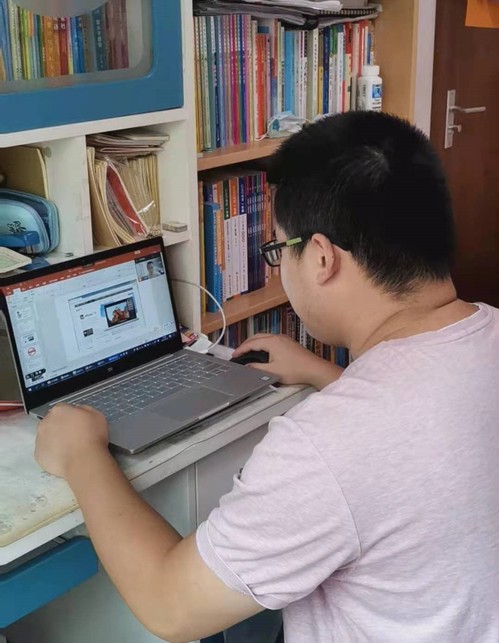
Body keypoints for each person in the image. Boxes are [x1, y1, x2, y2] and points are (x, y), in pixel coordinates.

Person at [35, 112, 499, 642]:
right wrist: (324, 373)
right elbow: (423, 428)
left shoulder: (326, 446)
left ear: (321, 258)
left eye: (279, 250)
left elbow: (170, 607)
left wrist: (82, 455)